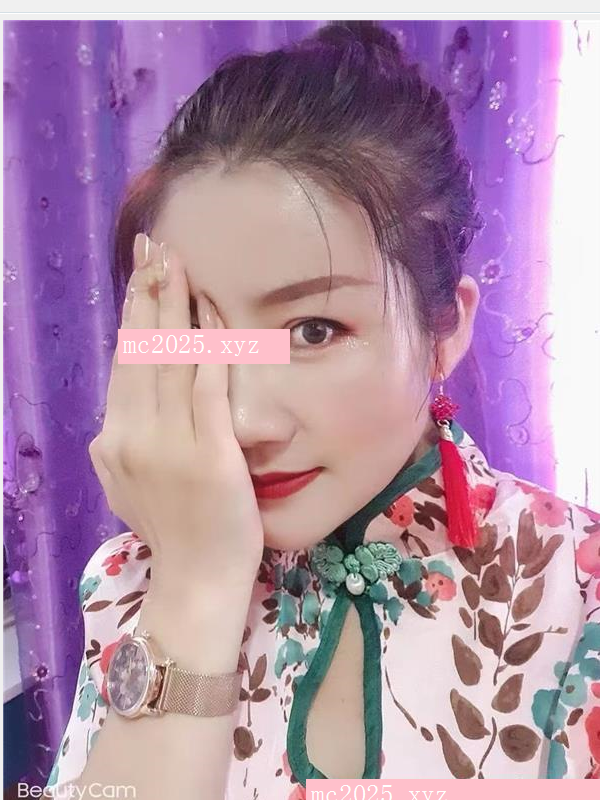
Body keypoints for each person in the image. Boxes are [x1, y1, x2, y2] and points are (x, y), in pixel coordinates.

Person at [45, 20, 600, 798]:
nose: (245, 422)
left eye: (313, 330)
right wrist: (194, 587)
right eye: (196, 338)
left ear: (445, 329)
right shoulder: (130, 579)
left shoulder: (575, 585)